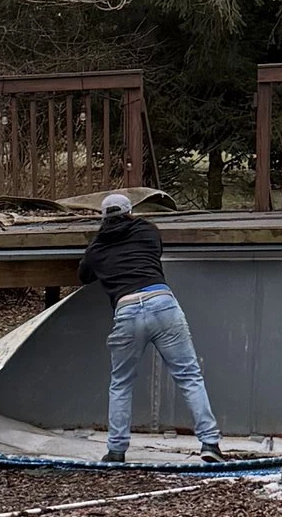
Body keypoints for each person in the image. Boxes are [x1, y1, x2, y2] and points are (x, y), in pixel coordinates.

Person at [77, 190, 226, 467]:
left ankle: (116, 450)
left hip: (127, 310)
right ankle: (210, 443)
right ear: (130, 212)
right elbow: (155, 252)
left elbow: (84, 276)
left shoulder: (97, 247)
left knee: (121, 383)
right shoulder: (147, 230)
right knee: (189, 376)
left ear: (103, 219)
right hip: (163, 304)